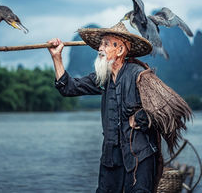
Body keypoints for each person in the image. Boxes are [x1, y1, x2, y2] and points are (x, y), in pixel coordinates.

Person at [47, 22, 162, 193]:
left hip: (138, 156)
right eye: (100, 43)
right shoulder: (103, 78)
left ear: (121, 50)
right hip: (111, 157)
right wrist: (57, 57)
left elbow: (164, 111)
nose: (100, 48)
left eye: (106, 43)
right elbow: (68, 87)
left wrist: (139, 117)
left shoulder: (140, 75)